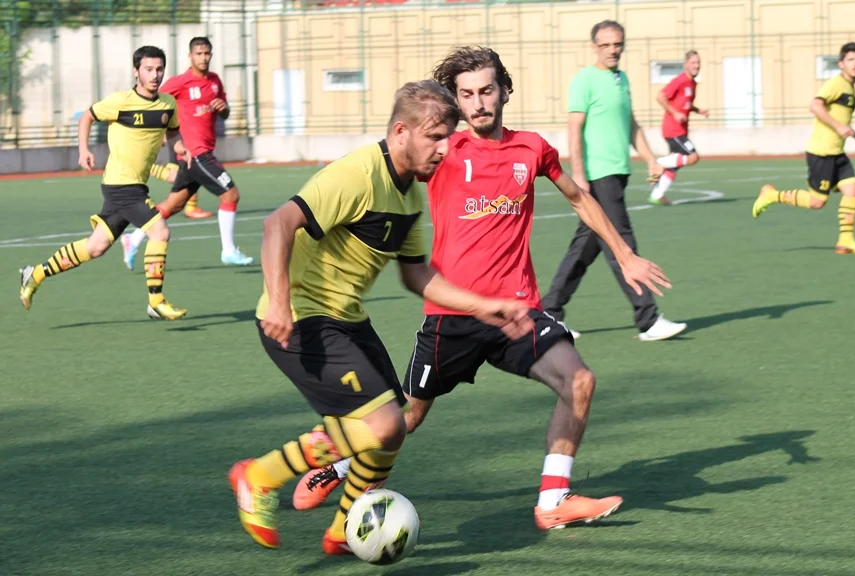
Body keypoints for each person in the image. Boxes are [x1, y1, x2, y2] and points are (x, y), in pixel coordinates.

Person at [292, 46, 672, 533]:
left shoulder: (532, 148)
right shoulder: (443, 149)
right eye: (466, 94)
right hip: (451, 314)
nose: (478, 103)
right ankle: (337, 464)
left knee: (579, 381)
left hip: (516, 312)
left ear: (505, 91)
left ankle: (553, 499)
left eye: (487, 90)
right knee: (406, 418)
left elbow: (580, 199)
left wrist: (625, 254)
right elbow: (386, 164)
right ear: (455, 100)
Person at [228, 79, 535, 553]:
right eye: (434, 137)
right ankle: (259, 475)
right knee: (385, 424)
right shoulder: (358, 174)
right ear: (400, 132)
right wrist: (280, 298)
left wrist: (486, 306)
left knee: (394, 432)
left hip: (347, 320)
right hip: (303, 317)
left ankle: (342, 532)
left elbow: (417, 277)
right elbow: (278, 223)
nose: (444, 149)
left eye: (448, 138)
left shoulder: (410, 195)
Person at [541, 20, 687, 341]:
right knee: (622, 243)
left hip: (618, 173)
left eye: (617, 44)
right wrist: (578, 174)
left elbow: (631, 123)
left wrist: (650, 158)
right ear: (594, 46)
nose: (612, 50)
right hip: (598, 176)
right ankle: (647, 319)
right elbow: (574, 128)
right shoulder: (584, 79)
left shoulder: (622, 79)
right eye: (605, 45)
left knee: (586, 246)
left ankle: (549, 312)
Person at [18, 46, 187, 321]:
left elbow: (173, 132)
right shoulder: (120, 102)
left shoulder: (168, 103)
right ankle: (155, 301)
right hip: (122, 185)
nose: (155, 75)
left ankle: (34, 274)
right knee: (160, 232)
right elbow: (87, 116)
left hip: (134, 185)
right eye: (148, 69)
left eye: (159, 69)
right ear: (136, 72)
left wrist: (182, 150)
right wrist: (83, 149)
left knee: (95, 247)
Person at [121, 36, 254, 269]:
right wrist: (154, 132)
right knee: (231, 195)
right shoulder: (180, 82)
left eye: (207, 53)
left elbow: (224, 113)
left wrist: (224, 109)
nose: (203, 57)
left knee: (173, 205)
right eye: (199, 53)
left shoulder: (214, 81)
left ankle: (133, 239)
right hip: (196, 153)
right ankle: (229, 250)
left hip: (199, 153)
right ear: (190, 56)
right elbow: (154, 101)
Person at [752, 42, 855, 255]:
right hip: (822, 152)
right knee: (817, 202)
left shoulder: (850, 87)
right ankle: (771, 195)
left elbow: (841, 119)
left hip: (837, 153)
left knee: (853, 190)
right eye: (851, 60)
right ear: (841, 63)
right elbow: (815, 105)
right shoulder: (836, 84)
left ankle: (845, 241)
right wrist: (838, 127)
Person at [648, 50, 709, 205]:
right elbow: (660, 96)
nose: (696, 66)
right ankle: (660, 163)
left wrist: (697, 110)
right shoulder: (680, 80)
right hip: (672, 129)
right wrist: (675, 113)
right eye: (693, 63)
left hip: (680, 130)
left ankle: (657, 195)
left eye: (698, 62)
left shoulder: (692, 83)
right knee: (693, 157)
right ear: (686, 64)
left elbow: (685, 103)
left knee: (674, 167)